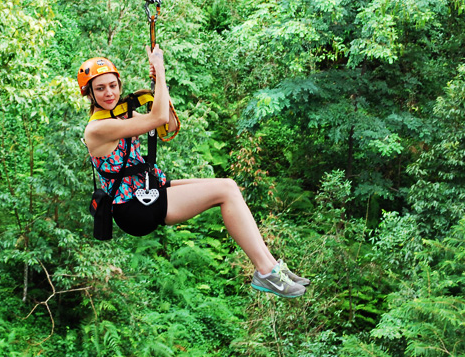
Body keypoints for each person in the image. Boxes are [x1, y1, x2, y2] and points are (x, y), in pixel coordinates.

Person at [78, 46, 310, 298]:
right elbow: (156, 119)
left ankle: (273, 268)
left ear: (119, 84)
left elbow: (169, 125)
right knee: (224, 191)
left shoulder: (122, 116)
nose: (109, 93)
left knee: (229, 186)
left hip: (149, 189)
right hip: (134, 207)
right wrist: (162, 71)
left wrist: (158, 86)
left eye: (112, 85)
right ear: (89, 94)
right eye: (100, 88)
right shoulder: (97, 129)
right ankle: (266, 272)